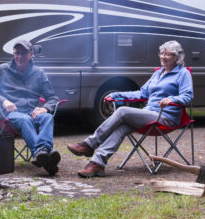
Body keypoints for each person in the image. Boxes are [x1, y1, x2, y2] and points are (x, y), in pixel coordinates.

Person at [68, 40, 193, 178]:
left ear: (177, 57)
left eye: (168, 54)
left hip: (165, 117)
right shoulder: (158, 73)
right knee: (121, 127)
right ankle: (98, 164)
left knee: (122, 112)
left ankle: (89, 144)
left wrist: (172, 100)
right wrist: (117, 94)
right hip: (149, 114)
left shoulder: (183, 73)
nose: (163, 56)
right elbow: (141, 94)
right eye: (161, 53)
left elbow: (188, 96)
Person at [0, 39, 61, 175]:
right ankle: (45, 155)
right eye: (17, 53)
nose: (20, 57)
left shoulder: (39, 73)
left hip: (32, 112)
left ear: (31, 54)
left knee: (47, 117)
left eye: (23, 53)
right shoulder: (3, 70)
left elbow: (52, 97)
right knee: (24, 120)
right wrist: (3, 101)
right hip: (11, 113)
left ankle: (42, 155)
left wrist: (44, 108)